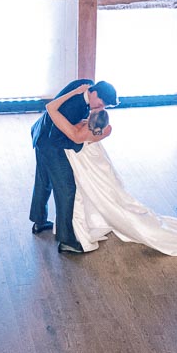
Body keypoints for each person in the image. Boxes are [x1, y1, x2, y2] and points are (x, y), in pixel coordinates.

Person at [42, 90, 177, 257]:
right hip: (101, 169)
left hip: (93, 173)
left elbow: (52, 109)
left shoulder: (78, 133)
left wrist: (76, 93)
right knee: (118, 199)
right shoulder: (105, 130)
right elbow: (95, 122)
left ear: (88, 121)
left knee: (111, 204)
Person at [30, 78, 117, 253]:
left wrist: (82, 124)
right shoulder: (75, 106)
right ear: (93, 93)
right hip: (50, 143)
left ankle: (39, 221)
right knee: (67, 188)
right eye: (100, 103)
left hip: (40, 132)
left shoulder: (85, 84)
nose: (101, 108)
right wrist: (81, 139)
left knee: (43, 179)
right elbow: (61, 137)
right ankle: (66, 239)